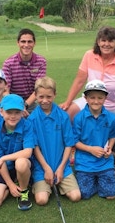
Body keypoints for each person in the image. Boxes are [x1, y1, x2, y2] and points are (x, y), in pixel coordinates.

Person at [60, 26, 115, 121]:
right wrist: (68, 102)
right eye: (103, 40)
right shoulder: (89, 55)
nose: (106, 44)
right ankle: (72, 136)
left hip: (114, 106)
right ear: (98, 42)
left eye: (111, 41)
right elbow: (79, 81)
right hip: (90, 100)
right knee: (67, 113)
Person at [28, 76, 81, 205]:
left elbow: (69, 144)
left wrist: (61, 168)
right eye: (41, 97)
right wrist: (46, 169)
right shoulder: (32, 119)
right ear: (35, 96)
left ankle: (57, 180)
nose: (45, 100)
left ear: (55, 95)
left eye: (49, 97)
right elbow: (35, 147)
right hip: (42, 168)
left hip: (62, 166)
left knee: (76, 196)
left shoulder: (63, 116)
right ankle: (41, 183)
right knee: (41, 200)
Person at [0, 94, 35, 210]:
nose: (13, 116)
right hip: (6, 168)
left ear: (23, 112)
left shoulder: (27, 126)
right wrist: (10, 184)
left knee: (21, 163)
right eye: (9, 112)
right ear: (1, 112)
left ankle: (24, 191)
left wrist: (4, 158)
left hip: (24, 166)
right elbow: (0, 162)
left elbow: (28, 152)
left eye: (17, 112)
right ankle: (12, 186)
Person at [72, 80, 115, 200]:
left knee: (111, 195)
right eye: (92, 97)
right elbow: (75, 141)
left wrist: (110, 148)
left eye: (100, 98)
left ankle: (100, 180)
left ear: (105, 98)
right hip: (84, 162)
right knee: (84, 194)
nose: (96, 101)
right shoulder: (79, 118)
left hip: (104, 160)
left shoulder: (111, 117)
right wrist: (90, 149)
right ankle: (95, 180)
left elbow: (112, 135)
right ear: (86, 98)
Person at [2, 28, 47, 115]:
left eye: (29, 41)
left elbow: (39, 89)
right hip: (13, 101)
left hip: (32, 102)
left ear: (34, 43)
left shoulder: (41, 61)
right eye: (23, 41)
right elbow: (5, 90)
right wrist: (16, 106)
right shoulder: (8, 63)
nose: (26, 45)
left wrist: (25, 105)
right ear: (18, 43)